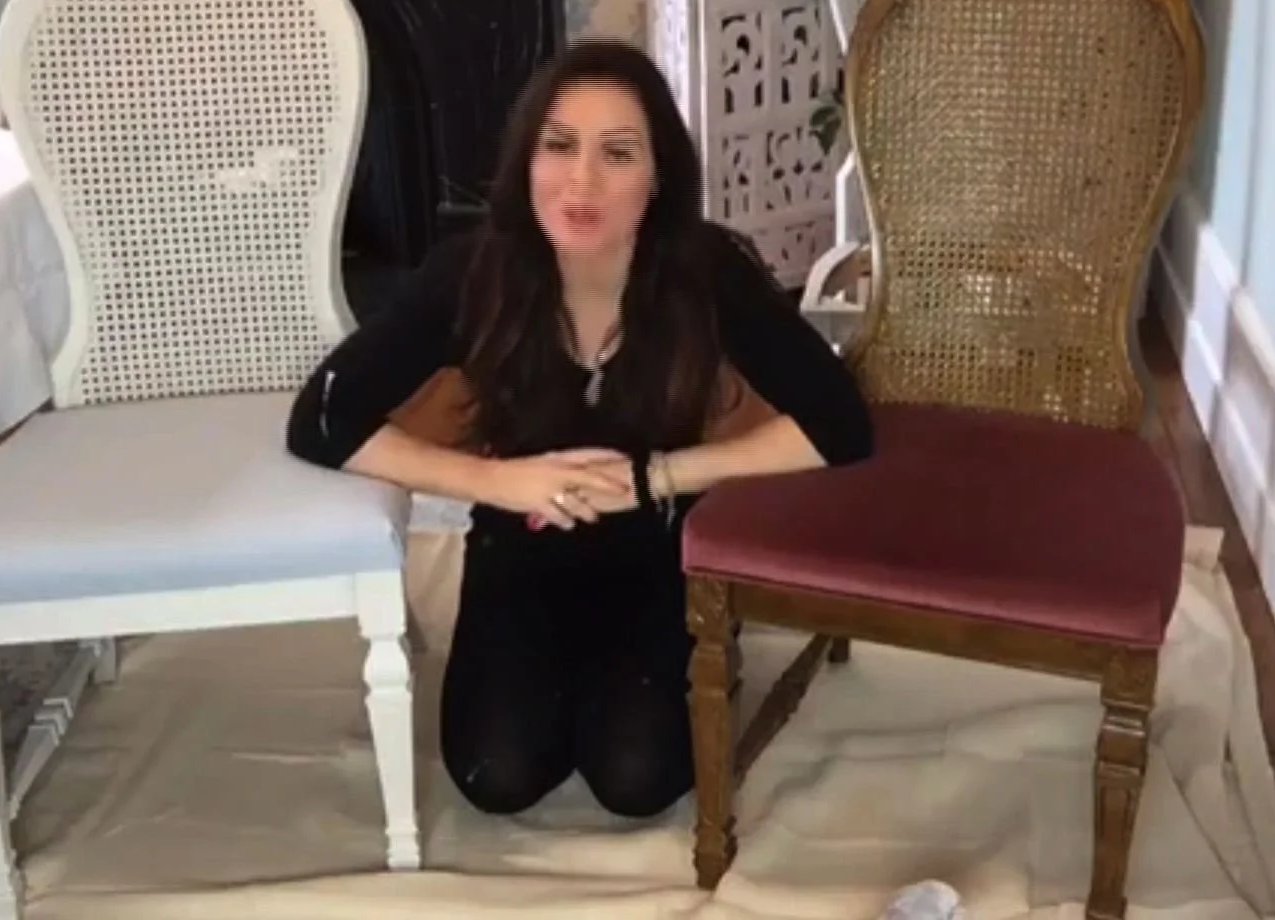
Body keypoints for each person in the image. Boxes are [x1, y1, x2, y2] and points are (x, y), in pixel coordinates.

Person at [285, 40, 873, 819]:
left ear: (658, 175)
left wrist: (659, 476)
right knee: (498, 775)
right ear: (526, 159)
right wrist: (497, 480)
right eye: (558, 145)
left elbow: (839, 425)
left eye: (618, 153)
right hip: (518, 546)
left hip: (659, 546)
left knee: (637, 780)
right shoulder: (475, 271)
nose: (582, 180)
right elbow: (322, 419)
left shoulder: (704, 270)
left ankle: (655, 667)